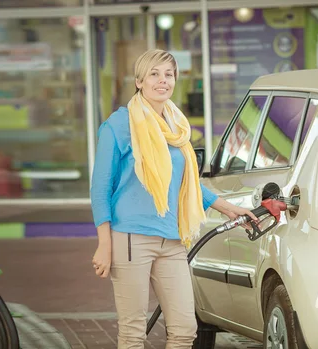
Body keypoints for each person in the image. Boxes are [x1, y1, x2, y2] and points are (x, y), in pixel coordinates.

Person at [90, 49, 258, 349]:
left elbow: (185, 182)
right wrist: (104, 244)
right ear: (139, 81)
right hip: (130, 237)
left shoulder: (176, 128)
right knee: (133, 333)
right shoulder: (118, 125)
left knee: (184, 329)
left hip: (172, 237)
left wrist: (228, 207)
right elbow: (100, 189)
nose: (162, 81)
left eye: (168, 74)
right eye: (154, 74)